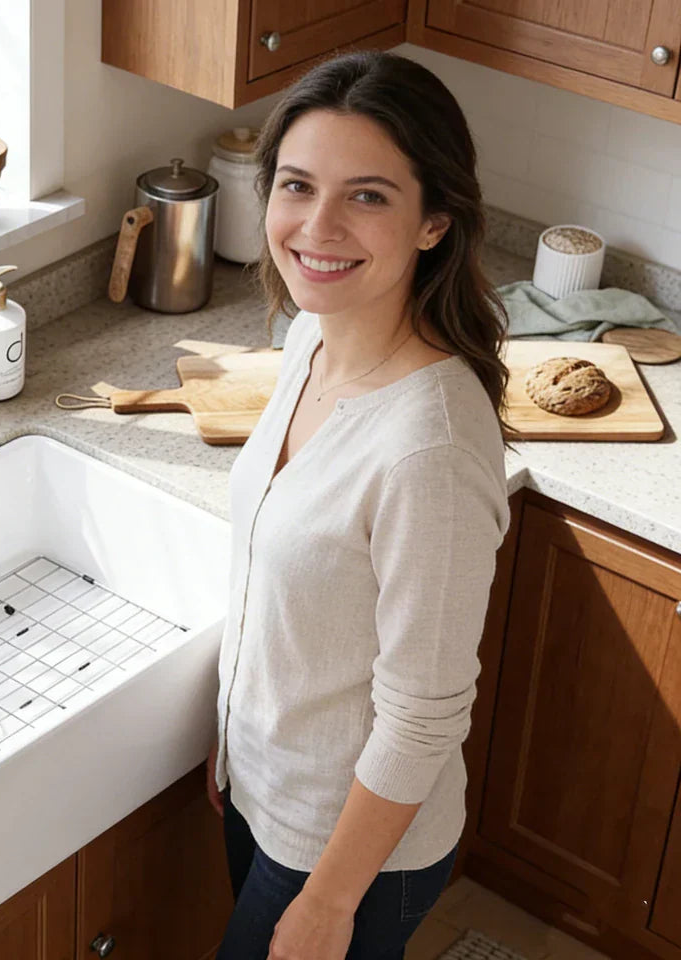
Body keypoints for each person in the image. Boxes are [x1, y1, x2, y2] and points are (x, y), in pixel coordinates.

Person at [208, 50, 512, 960]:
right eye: (297, 185)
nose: (318, 225)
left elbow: (422, 715)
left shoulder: (431, 446)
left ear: (433, 224)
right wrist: (231, 744)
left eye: (369, 196)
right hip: (268, 791)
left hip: (352, 855)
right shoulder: (312, 335)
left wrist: (329, 903)